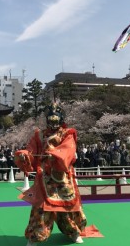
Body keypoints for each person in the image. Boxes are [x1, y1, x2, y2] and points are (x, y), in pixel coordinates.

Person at [15, 103, 86, 245]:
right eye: (50, 120)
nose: (53, 123)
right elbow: (31, 150)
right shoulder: (38, 135)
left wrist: (56, 155)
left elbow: (68, 149)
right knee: (41, 207)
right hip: (44, 176)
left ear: (61, 119)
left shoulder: (68, 134)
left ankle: (73, 232)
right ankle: (35, 236)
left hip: (62, 176)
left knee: (66, 205)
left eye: (56, 120)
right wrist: (25, 155)